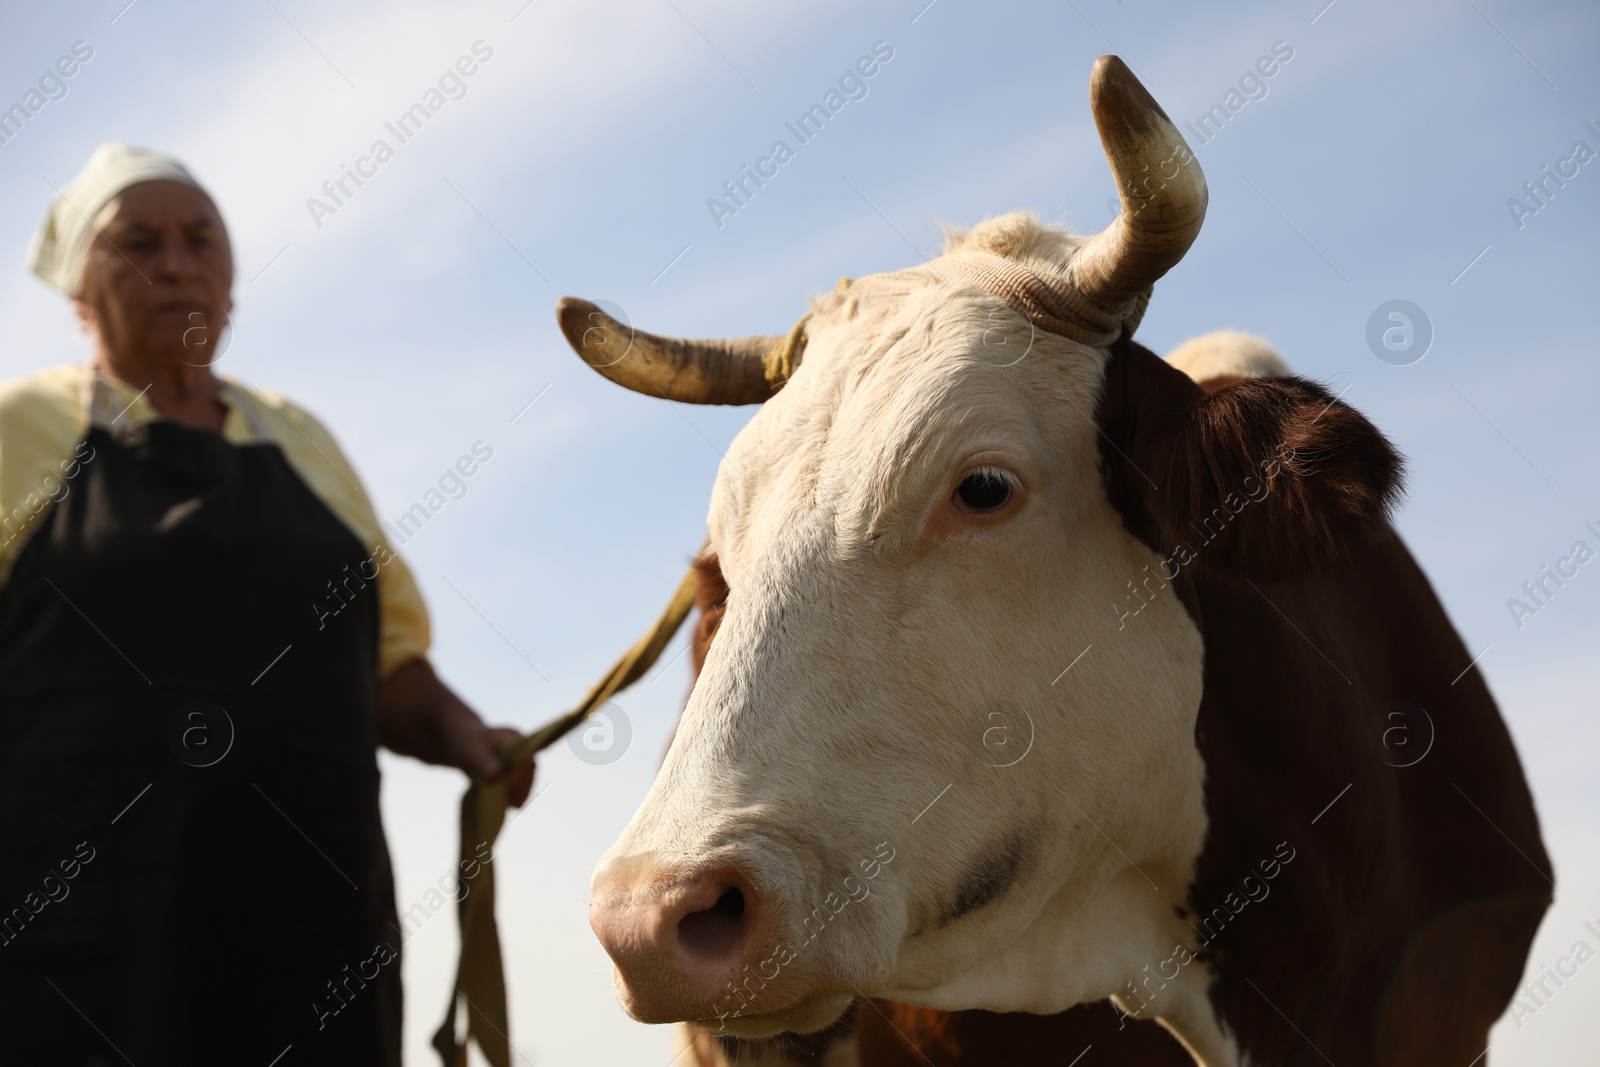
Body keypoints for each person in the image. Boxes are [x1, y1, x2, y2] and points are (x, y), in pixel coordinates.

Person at [0, 142, 534, 1066]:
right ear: (79, 288)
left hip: (315, 932)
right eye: (138, 242)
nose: (175, 262)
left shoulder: (302, 439)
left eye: (200, 238)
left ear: (233, 276)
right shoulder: (19, 430)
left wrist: (463, 733)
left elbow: (389, 665)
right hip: (78, 941)